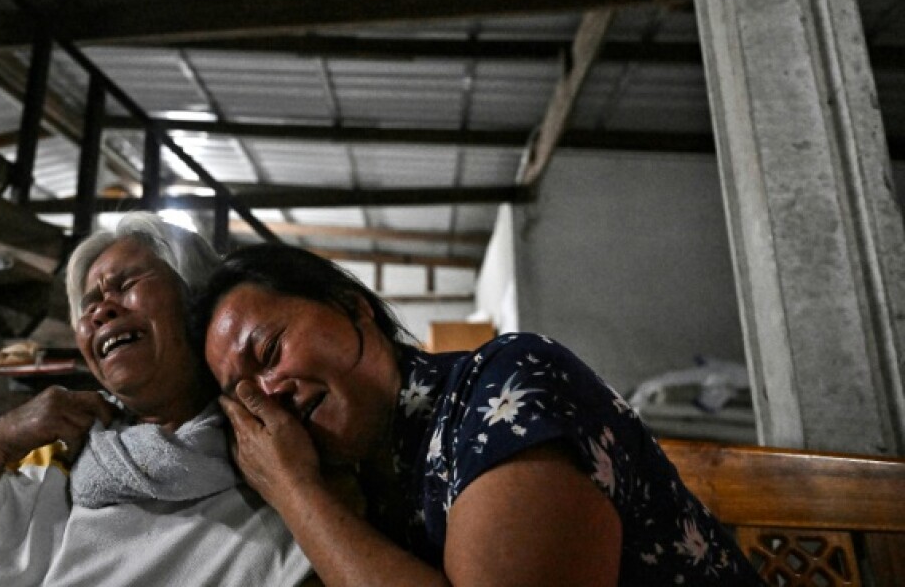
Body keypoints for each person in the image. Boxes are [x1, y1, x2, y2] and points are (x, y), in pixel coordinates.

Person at [192, 244, 763, 586]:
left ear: (352, 306)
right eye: (245, 395)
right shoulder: (370, 478)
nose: (270, 392)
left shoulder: (506, 383)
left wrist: (293, 492)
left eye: (268, 352)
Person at [0, 214, 312, 587]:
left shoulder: (274, 453)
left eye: (125, 286)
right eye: (88, 306)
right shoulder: (54, 458)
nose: (100, 311)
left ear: (196, 300)